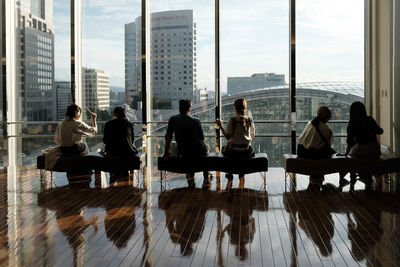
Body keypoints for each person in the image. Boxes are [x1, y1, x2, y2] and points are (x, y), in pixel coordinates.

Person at [163, 99, 210, 187]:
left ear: (179, 108)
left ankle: (190, 174)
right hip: (198, 150)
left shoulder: (173, 119)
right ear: (190, 108)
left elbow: (168, 137)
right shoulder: (196, 121)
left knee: (189, 150)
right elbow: (202, 138)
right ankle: (206, 174)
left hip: (183, 150)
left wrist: (166, 152)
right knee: (206, 148)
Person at [343, 101, 383, 184]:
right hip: (375, 150)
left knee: (352, 155)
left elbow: (350, 142)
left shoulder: (352, 123)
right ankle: (365, 174)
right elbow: (380, 131)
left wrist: (346, 154)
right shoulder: (370, 119)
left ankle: (352, 175)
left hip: (362, 149)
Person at [216, 98, 255, 181]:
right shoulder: (249, 120)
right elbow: (252, 135)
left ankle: (229, 172)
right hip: (247, 152)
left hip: (234, 153)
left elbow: (227, 137)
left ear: (235, 108)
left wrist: (220, 126)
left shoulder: (232, 120)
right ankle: (241, 172)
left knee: (224, 149)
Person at [297, 106, 335, 186]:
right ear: (327, 117)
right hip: (314, 155)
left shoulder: (310, 123)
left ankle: (314, 177)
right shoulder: (327, 130)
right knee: (329, 152)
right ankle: (319, 176)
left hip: (302, 152)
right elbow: (328, 145)